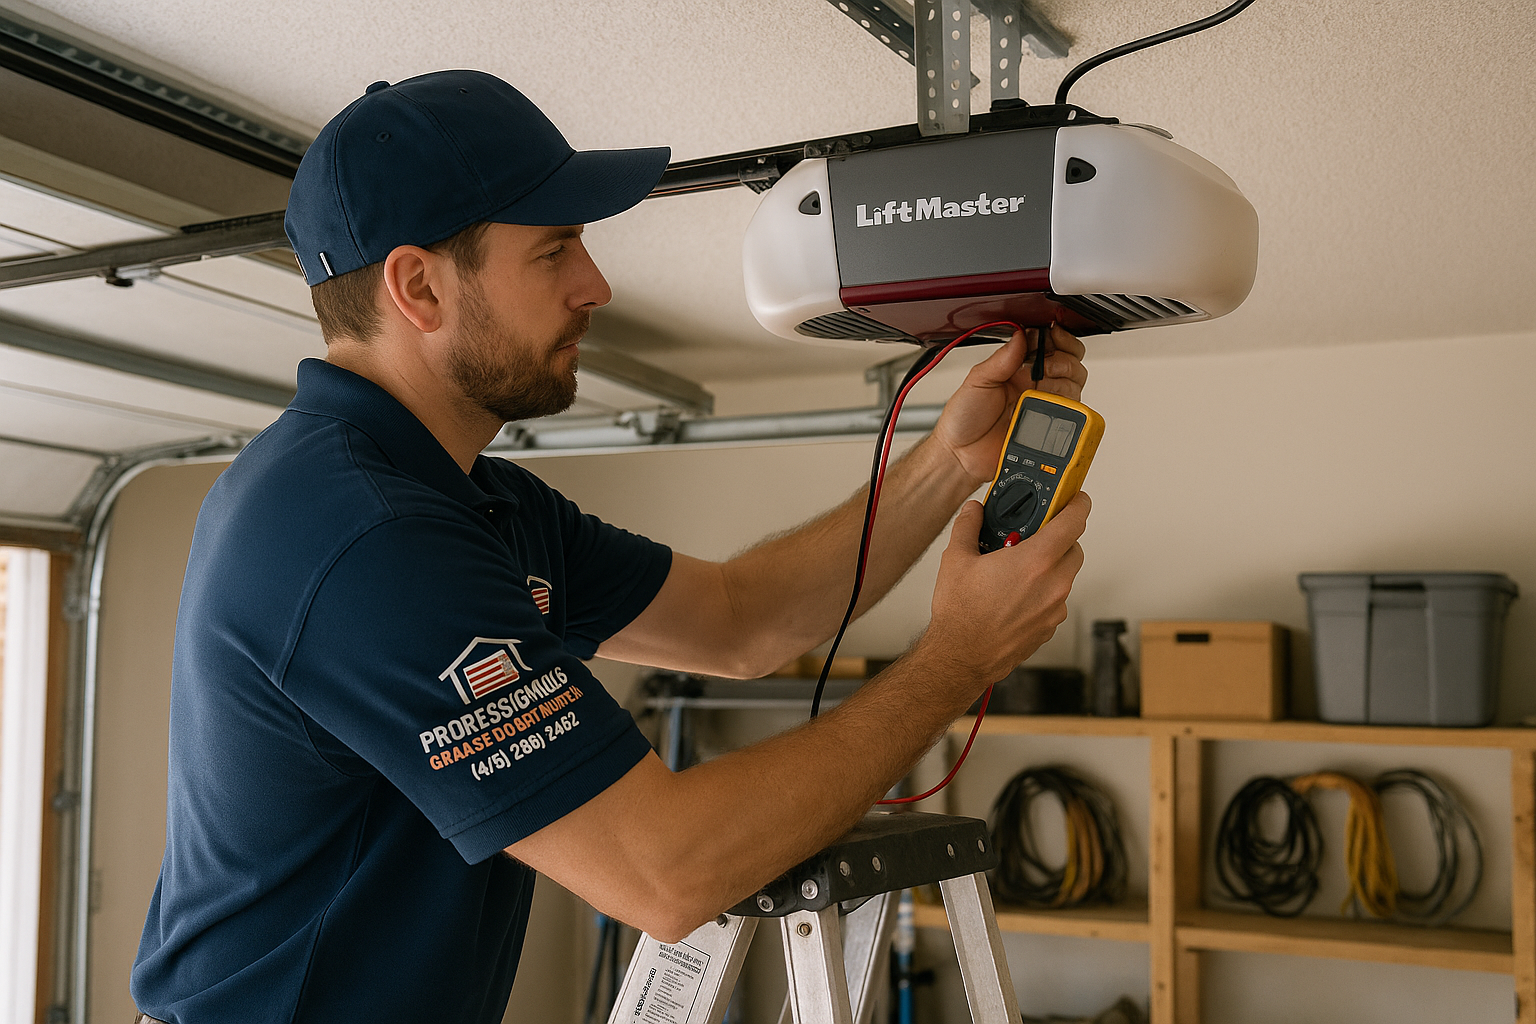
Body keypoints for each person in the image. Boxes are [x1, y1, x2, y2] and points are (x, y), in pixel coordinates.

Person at [130, 69, 1090, 1024]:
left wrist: (947, 463)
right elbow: (664, 871)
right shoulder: (363, 535)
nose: (596, 285)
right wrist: (960, 657)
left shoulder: (470, 502)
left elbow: (741, 622)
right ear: (418, 285)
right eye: (554, 252)